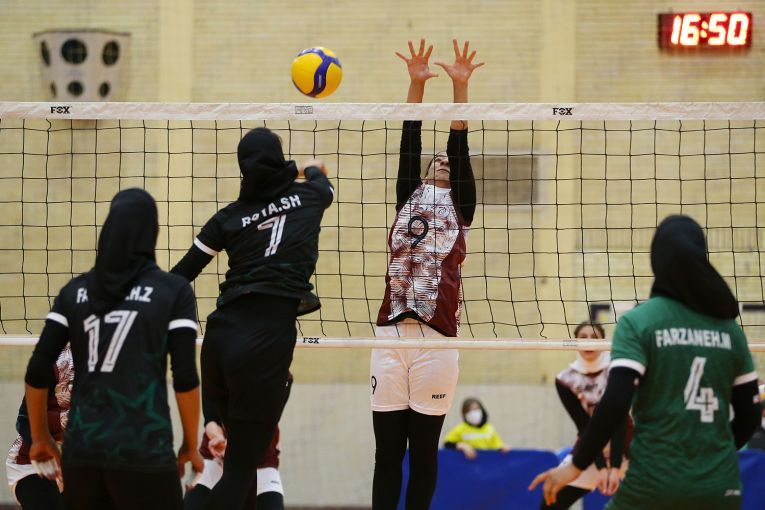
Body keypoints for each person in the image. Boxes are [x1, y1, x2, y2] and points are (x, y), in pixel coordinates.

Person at [530, 215, 761, 510]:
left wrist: (576, 465)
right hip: (720, 486)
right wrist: (712, 456)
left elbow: (615, 403)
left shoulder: (639, 322)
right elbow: (750, 417)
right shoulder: (731, 330)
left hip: (654, 482)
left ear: (657, 260)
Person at [170, 127, 334, 509]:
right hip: (265, 342)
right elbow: (322, 180)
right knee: (242, 470)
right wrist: (307, 167)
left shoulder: (228, 217)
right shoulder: (310, 196)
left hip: (218, 338)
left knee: (223, 451)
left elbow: (178, 278)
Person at [23, 188, 203, 510]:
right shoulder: (173, 291)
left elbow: (38, 369)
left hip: (82, 453)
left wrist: (40, 438)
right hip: (145, 450)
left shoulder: (73, 291)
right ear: (152, 234)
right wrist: (190, 444)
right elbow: (186, 376)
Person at [371, 38, 481, 510]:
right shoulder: (408, 196)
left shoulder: (461, 204)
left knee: (423, 453)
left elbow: (460, 144)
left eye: (447, 162)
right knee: (386, 453)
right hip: (391, 335)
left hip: (437, 339)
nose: (442, 160)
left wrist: (460, 88)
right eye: (435, 160)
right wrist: (415, 85)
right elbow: (408, 138)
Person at [539, 321, 628, 509]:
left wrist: (615, 466)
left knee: (668, 494)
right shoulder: (565, 379)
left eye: (594, 337)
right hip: (590, 449)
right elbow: (585, 426)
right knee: (550, 501)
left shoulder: (619, 369)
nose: (588, 341)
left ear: (603, 342)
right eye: (583, 337)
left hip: (628, 446)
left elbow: (620, 418)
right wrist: (601, 467)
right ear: (575, 342)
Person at [184, 373, 293, 510]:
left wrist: (234, 447)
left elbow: (263, 430)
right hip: (215, 459)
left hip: (261, 462)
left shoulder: (281, 376)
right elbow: (211, 420)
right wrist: (218, 438)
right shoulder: (218, 370)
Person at [6, 346, 72, 510]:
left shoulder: (122, 369)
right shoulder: (58, 362)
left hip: (87, 463)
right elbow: (24, 420)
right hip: (33, 462)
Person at [443, 397, 510, 460]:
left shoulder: (490, 428)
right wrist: (461, 445)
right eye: (469, 410)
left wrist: (504, 447)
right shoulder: (460, 428)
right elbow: (447, 444)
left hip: (486, 463)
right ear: (464, 414)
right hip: (468, 464)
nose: (473, 413)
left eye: (476, 409)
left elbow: (498, 446)